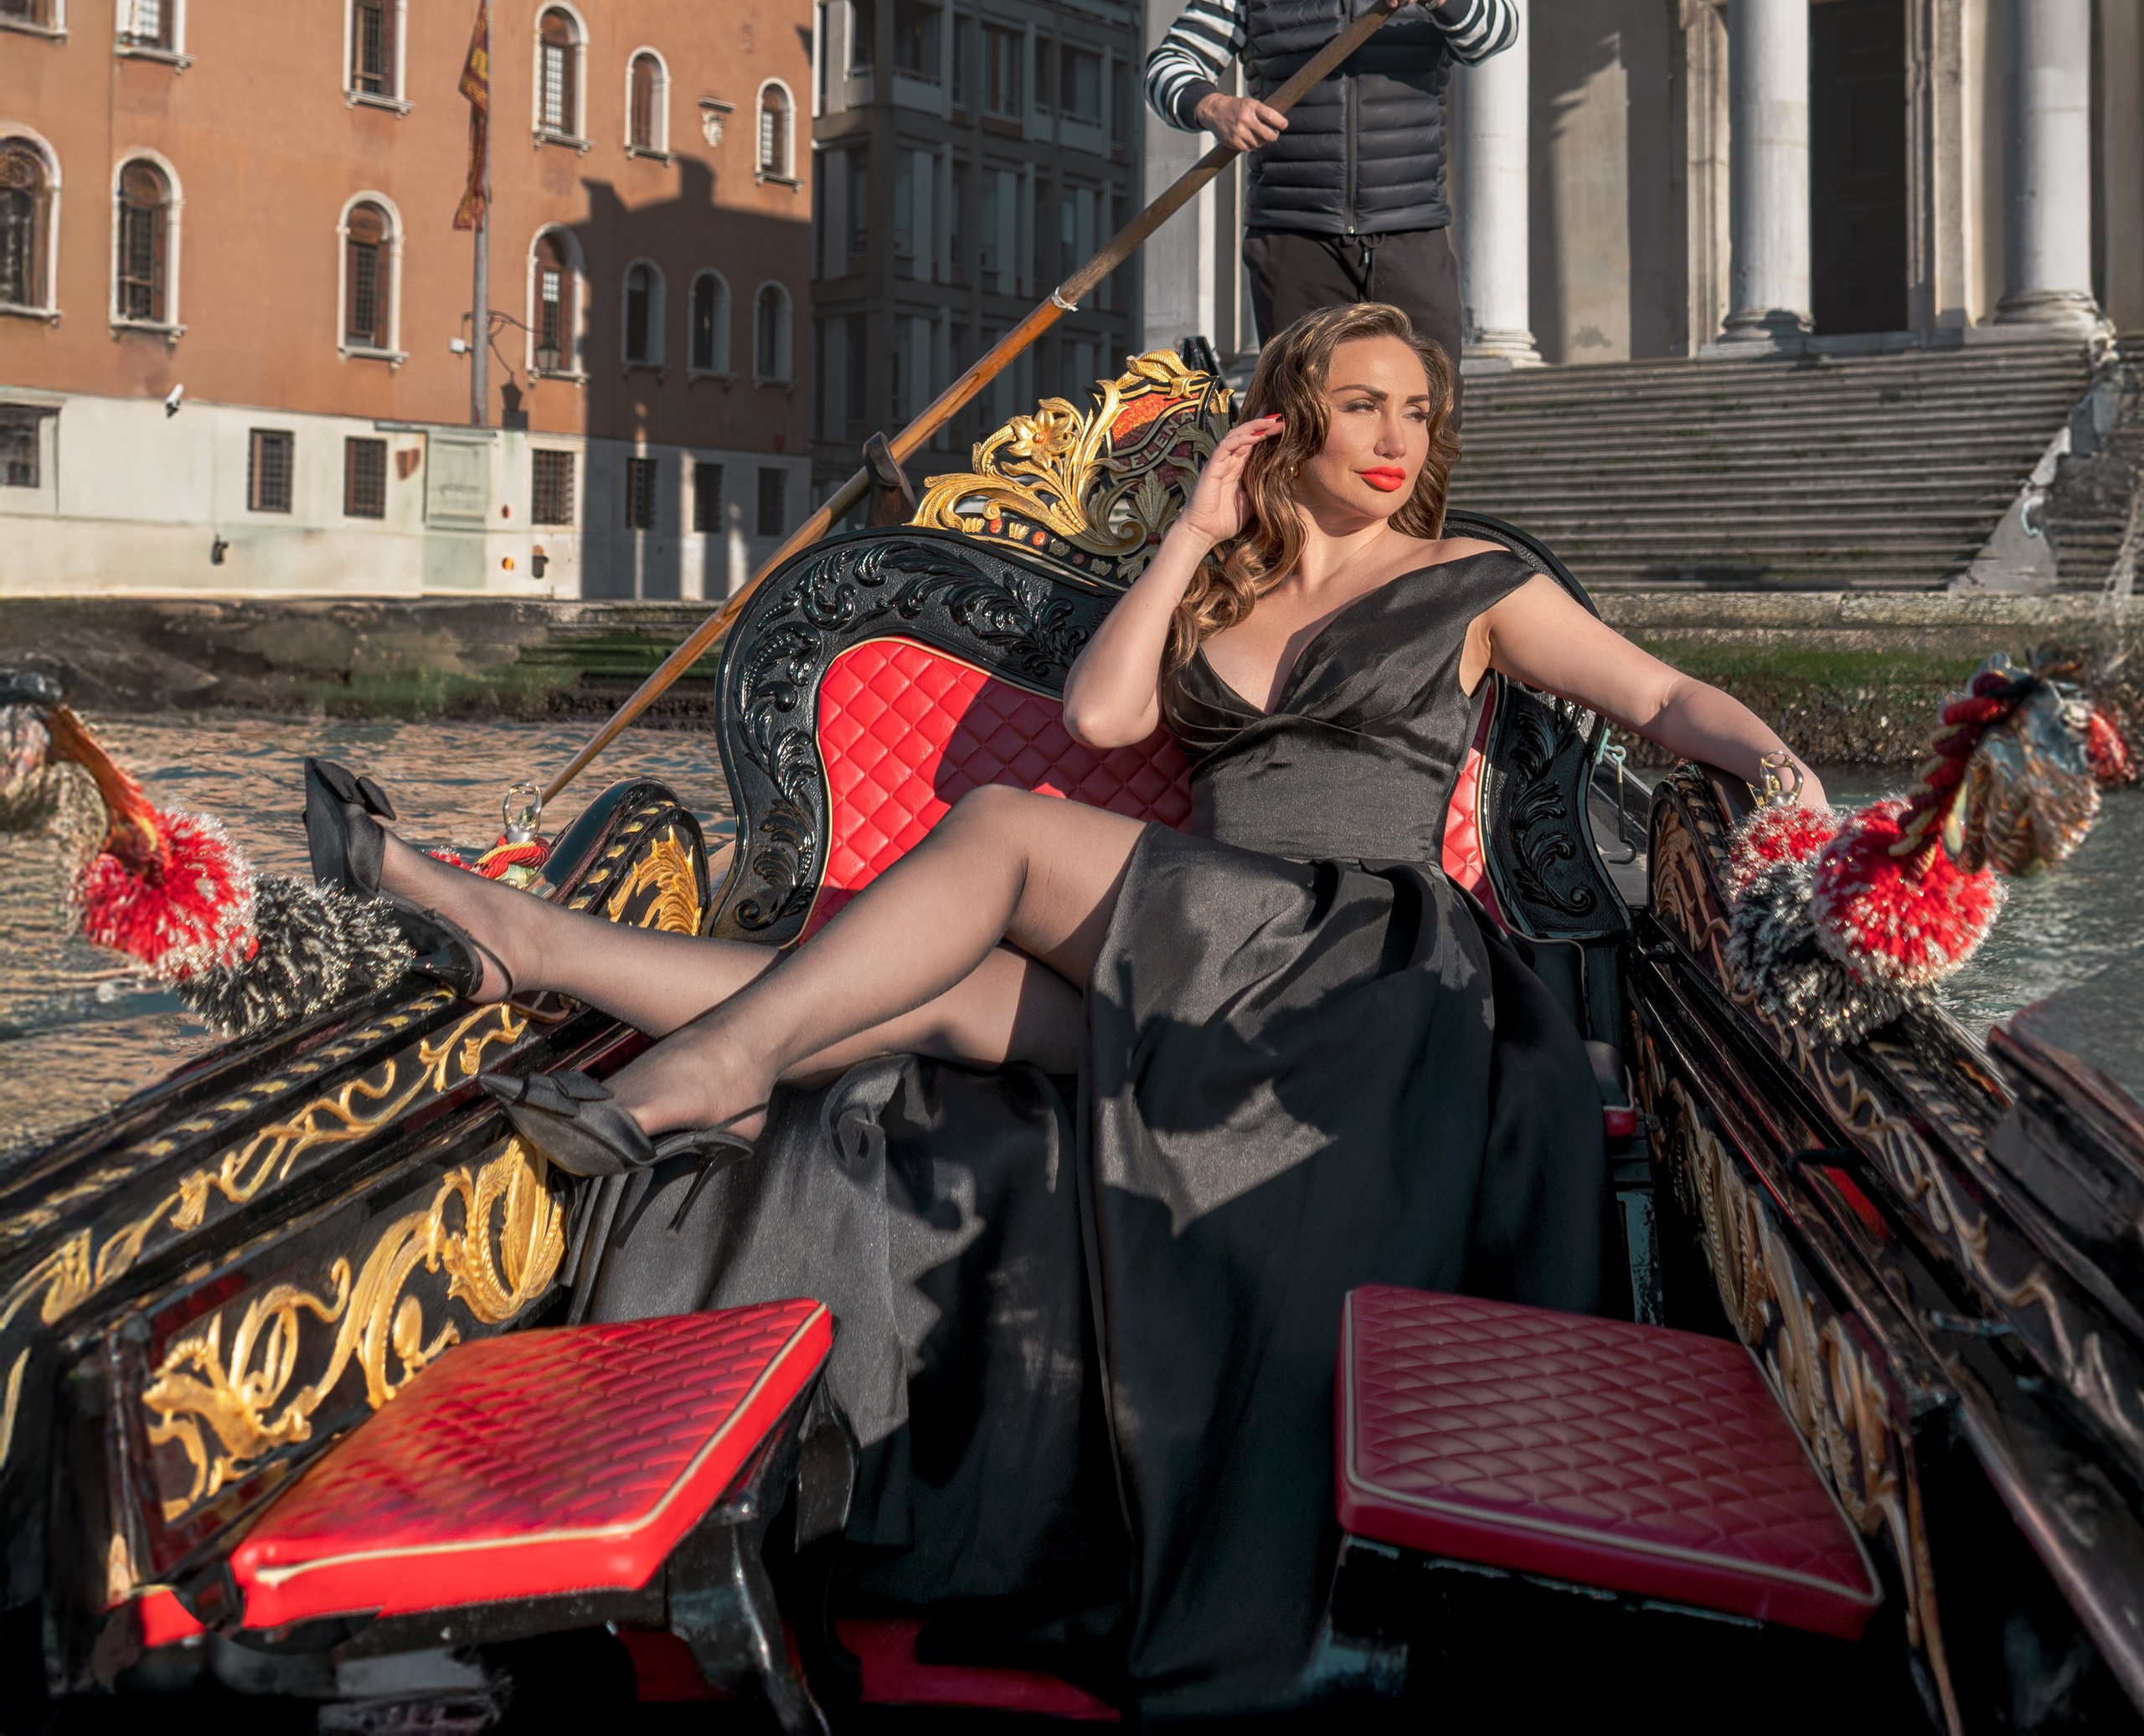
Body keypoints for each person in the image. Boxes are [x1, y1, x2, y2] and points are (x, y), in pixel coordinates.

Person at [306, 306, 1823, 1719]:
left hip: (1359, 967)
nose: (1395, 439)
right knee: (948, 997)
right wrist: (1192, 529)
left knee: (1007, 827)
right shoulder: (1225, 582)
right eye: (1360, 405)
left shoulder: (1475, 583)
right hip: (1199, 955)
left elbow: (1665, 699)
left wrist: (1781, 774)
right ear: (1285, 422)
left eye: (1418, 413)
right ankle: (521, 936)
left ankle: (704, 1070)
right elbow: (1105, 714)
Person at [1142, 0, 1516, 387]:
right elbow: (1168, 66)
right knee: (1304, 430)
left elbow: (1496, 32)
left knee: (1424, 421)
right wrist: (1213, 105)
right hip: (1294, 240)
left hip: (1410, 232)